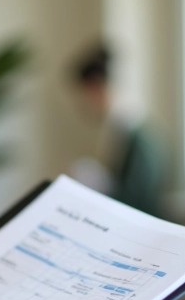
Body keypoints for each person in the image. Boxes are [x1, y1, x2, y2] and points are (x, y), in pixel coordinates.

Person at [70, 43, 164, 217]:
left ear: (96, 88)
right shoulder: (119, 131)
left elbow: (137, 201)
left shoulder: (137, 138)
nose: (83, 105)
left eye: (84, 96)